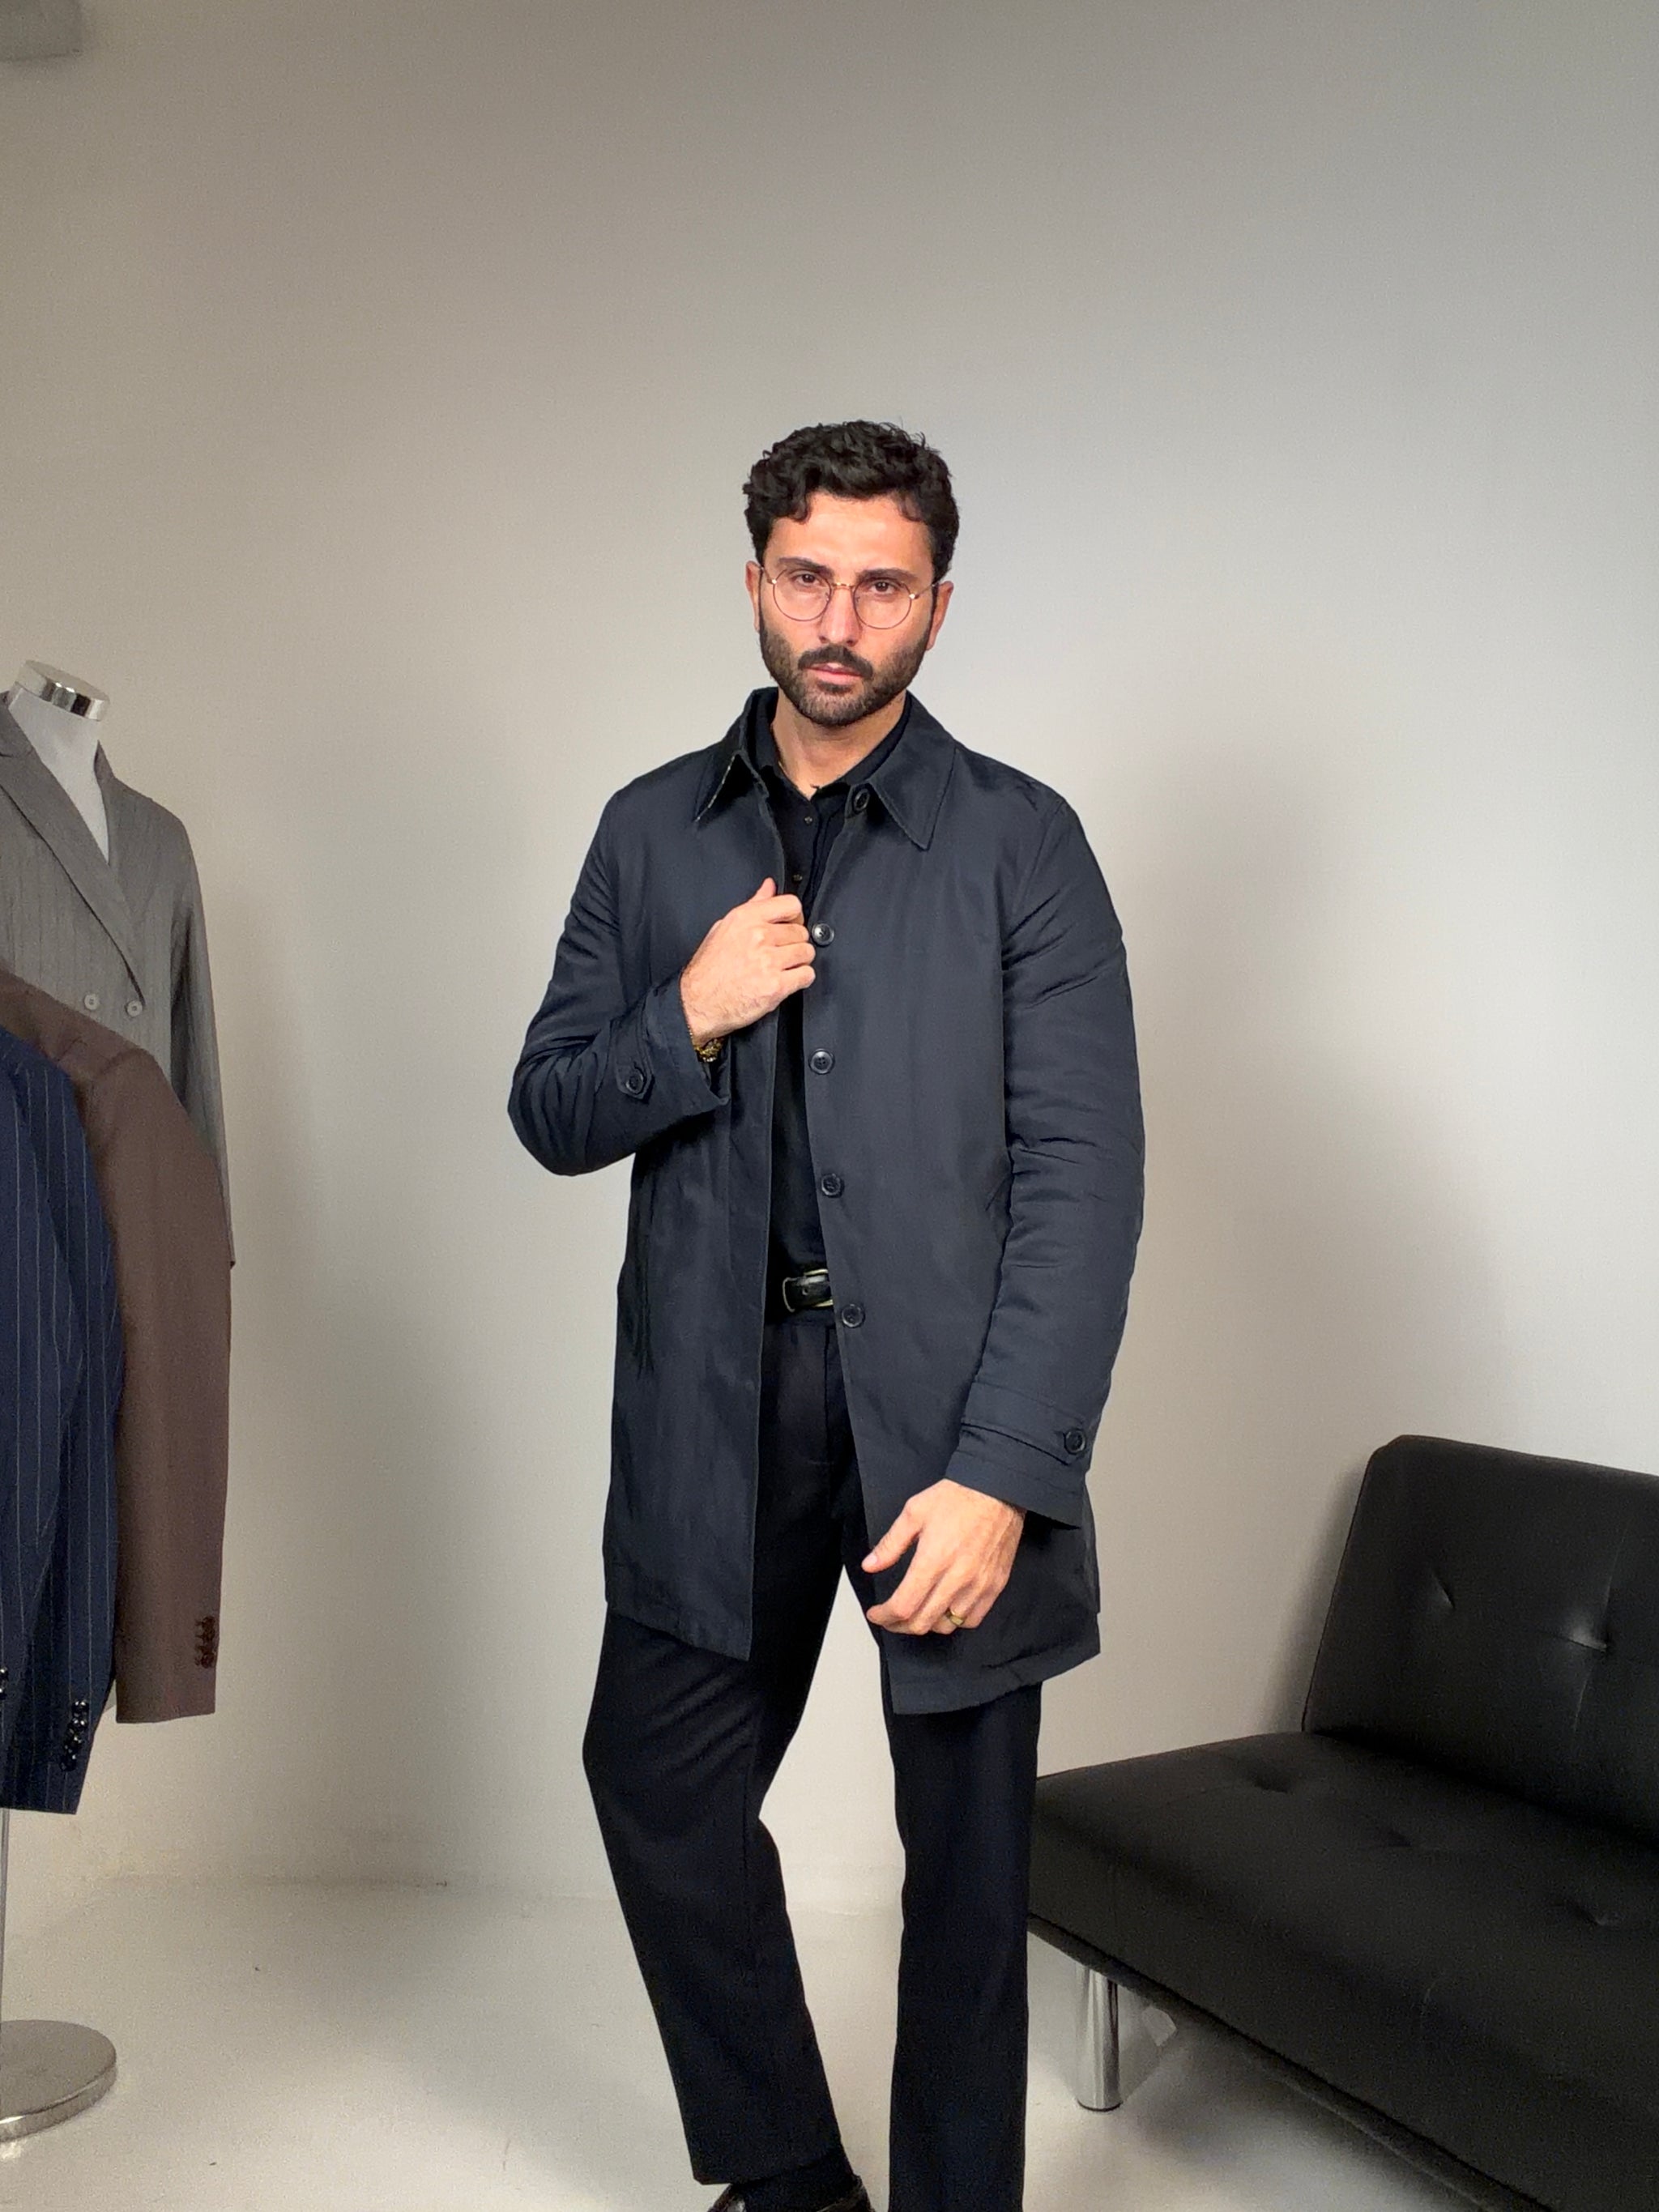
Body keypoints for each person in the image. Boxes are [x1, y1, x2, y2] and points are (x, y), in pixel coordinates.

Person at [509, 420, 1143, 2212]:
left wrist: (1005, 1473)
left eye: (881, 583)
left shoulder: (1023, 843)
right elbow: (551, 1107)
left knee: (966, 1873)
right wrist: (688, 1015)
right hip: (718, 1407)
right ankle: (790, 2186)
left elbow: (1084, 1182)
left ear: (938, 603)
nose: (838, 620)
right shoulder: (649, 831)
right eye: (807, 577)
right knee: (657, 1778)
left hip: (949, 1421)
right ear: (753, 581)